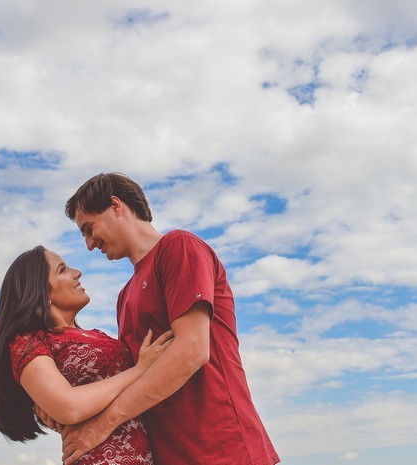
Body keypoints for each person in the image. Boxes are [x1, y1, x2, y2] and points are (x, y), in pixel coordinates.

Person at [56, 173, 280, 465]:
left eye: (89, 228)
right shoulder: (124, 297)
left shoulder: (179, 247)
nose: (88, 244)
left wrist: (105, 422)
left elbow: (192, 350)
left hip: (224, 451)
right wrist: (56, 403)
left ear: (115, 206)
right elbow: (132, 375)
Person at [0, 245, 174, 465]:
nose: (77, 273)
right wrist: (139, 370)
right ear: (41, 292)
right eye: (63, 269)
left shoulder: (98, 336)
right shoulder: (28, 341)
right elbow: (69, 407)